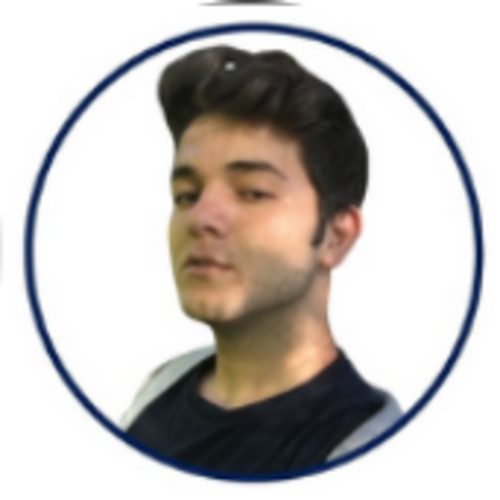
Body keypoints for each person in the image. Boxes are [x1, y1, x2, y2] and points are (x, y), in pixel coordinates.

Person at [120, 45, 402, 476]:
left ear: (336, 236)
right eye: (187, 196)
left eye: (253, 192)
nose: (201, 218)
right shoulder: (160, 389)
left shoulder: (361, 449)